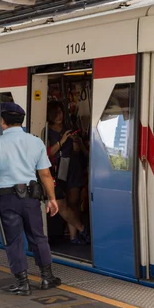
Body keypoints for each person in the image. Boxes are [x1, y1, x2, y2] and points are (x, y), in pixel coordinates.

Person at [0, 102, 61, 296]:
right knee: (38, 237)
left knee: (14, 240)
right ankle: (47, 277)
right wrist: (52, 199)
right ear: (21, 121)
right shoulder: (36, 141)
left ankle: (22, 283)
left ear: (3, 121)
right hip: (32, 198)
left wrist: (7, 175)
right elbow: (45, 175)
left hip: (7, 200)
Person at [45, 100, 89, 244]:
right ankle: (80, 231)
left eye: (61, 113)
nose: (59, 116)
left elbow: (76, 152)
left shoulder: (67, 128)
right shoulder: (46, 131)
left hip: (73, 168)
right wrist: (62, 141)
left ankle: (74, 237)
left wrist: (76, 142)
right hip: (57, 171)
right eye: (56, 114)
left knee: (74, 203)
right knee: (63, 205)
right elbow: (48, 153)